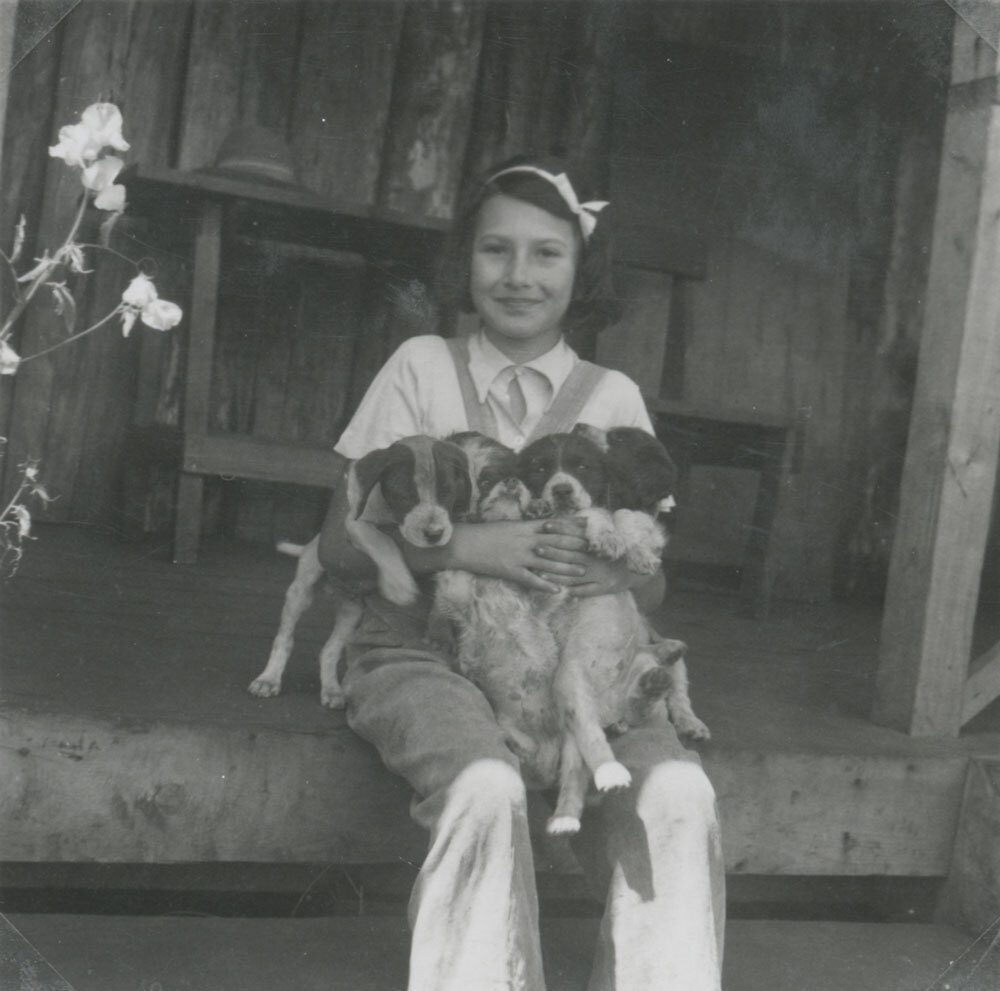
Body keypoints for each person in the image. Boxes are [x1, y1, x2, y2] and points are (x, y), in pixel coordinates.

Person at [318, 156, 725, 991]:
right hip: (420, 649)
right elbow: (337, 544)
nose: (518, 275)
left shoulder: (612, 397)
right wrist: (475, 548)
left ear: (583, 271)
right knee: (485, 786)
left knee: (681, 795)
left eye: (547, 253)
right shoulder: (421, 365)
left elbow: (651, 591)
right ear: (465, 260)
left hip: (585, 668)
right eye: (495, 250)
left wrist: (606, 567)